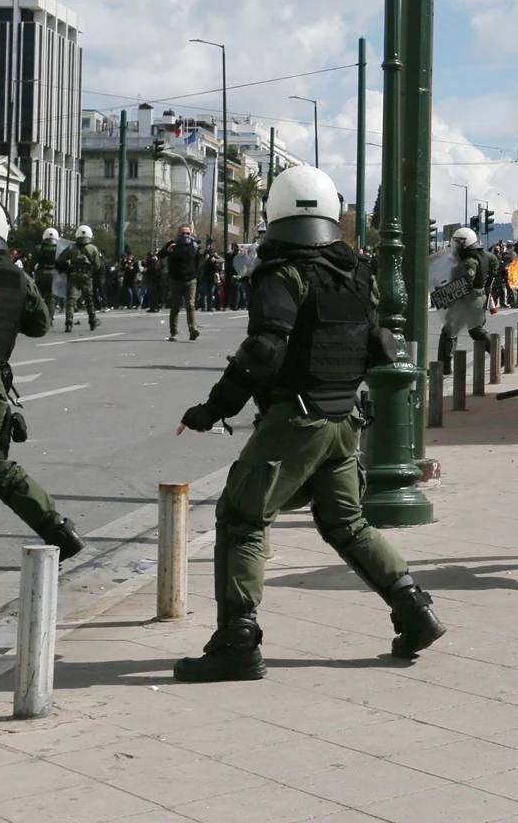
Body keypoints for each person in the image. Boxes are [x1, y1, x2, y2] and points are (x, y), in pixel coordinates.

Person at [173, 165, 444, 681]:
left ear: (275, 212)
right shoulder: (354, 272)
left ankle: (238, 641)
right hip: (345, 420)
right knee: (347, 523)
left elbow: (264, 349)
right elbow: (376, 344)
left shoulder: (282, 273)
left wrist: (214, 408)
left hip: (297, 420)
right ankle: (413, 607)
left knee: (241, 517)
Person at [435, 228, 495, 371]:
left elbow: (464, 285)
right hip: (476, 297)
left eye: (458, 242)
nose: (455, 245)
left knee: (450, 330)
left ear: (466, 243)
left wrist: (447, 293)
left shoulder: (469, 262)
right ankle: (501, 354)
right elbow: (494, 262)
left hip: (469, 299)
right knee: (476, 331)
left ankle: (443, 366)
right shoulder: (482, 255)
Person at [159, 225, 202, 341]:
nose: (185, 235)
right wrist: (167, 251)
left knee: (190, 305)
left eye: (187, 233)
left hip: (190, 280)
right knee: (175, 307)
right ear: (178, 233)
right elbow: (159, 255)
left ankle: (193, 330)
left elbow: (198, 262)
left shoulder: (195, 245)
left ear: (191, 233)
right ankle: (173, 332)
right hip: (175, 280)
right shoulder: (172, 243)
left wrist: (197, 277)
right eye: (183, 233)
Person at [56, 225, 102, 332]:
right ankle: (92, 321)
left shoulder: (71, 248)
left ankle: (68, 323)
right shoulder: (93, 249)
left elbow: (60, 261)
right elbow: (97, 266)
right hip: (87, 277)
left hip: (73, 275)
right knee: (89, 300)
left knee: (71, 300)